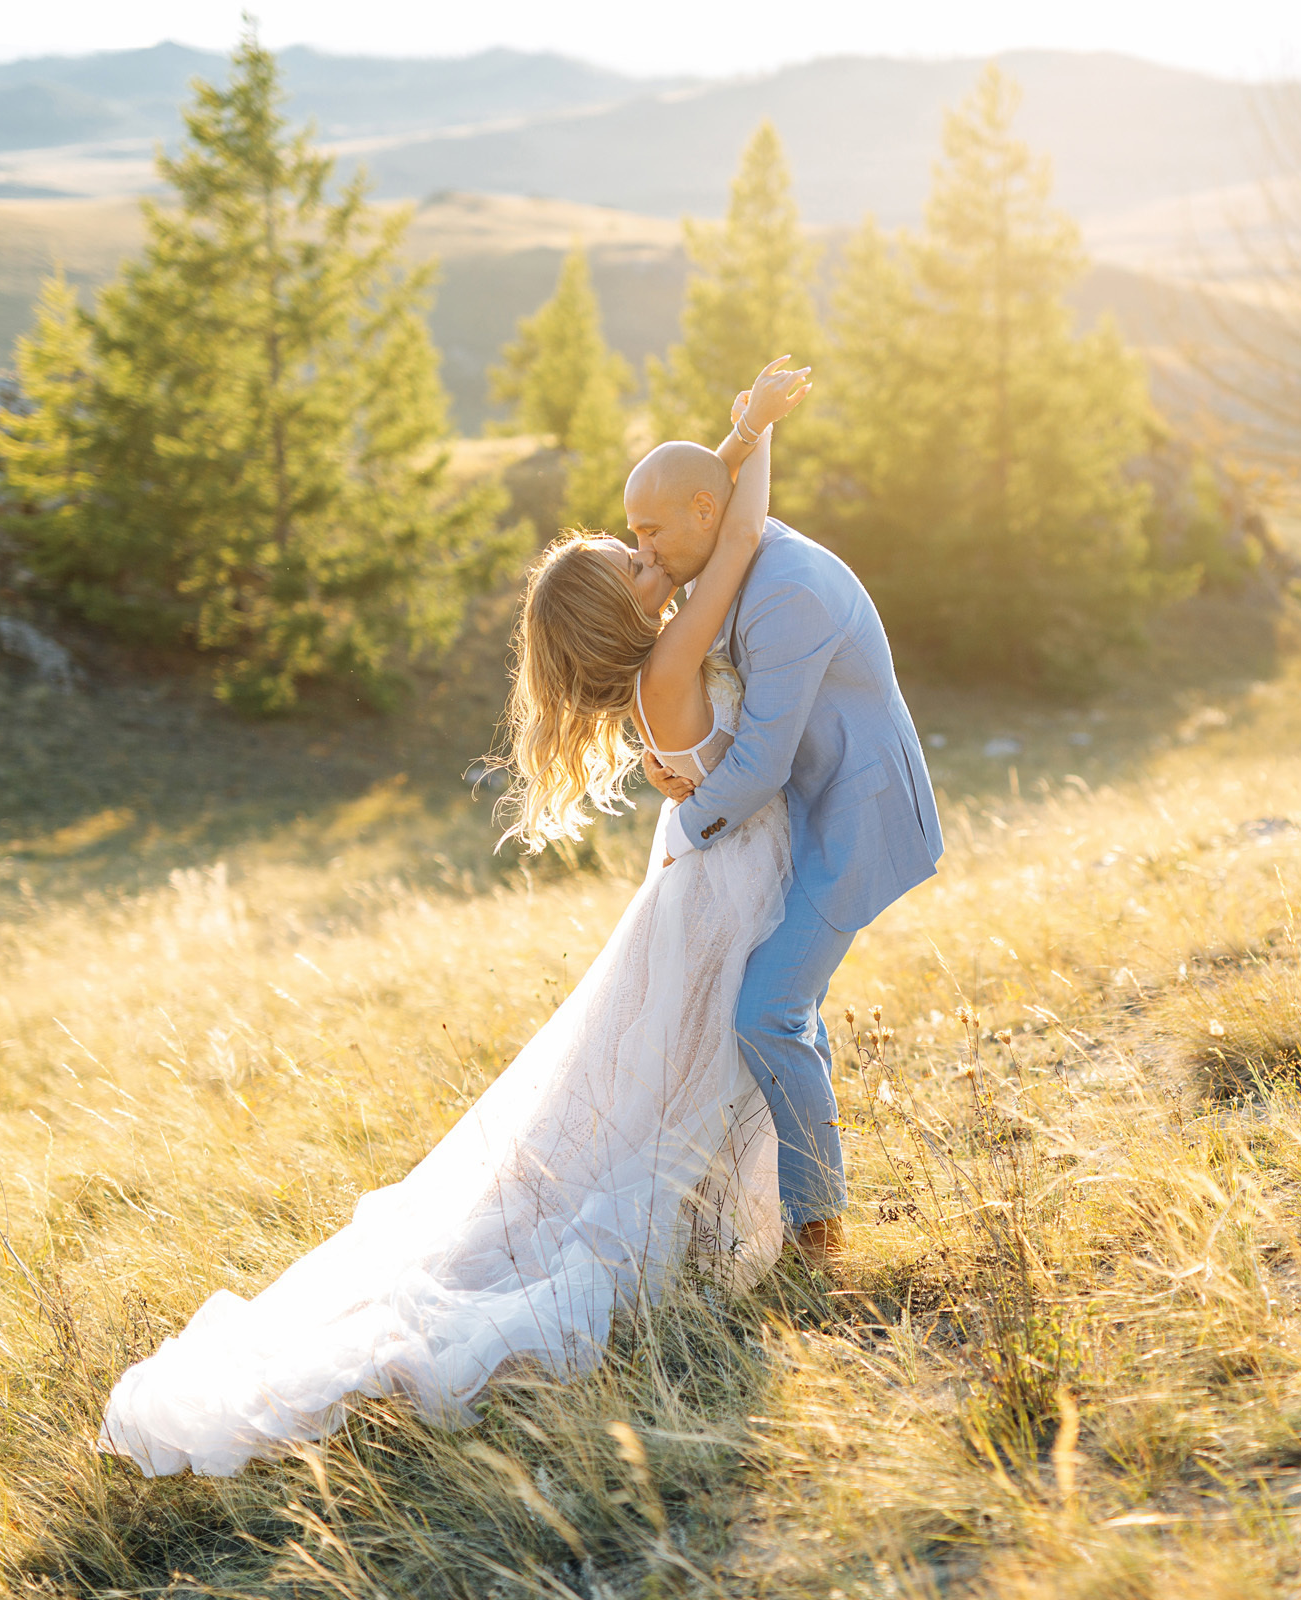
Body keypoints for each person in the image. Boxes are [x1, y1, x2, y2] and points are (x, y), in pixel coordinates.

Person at [97, 360, 839, 1477]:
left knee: (694, 1067)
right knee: (713, 1060)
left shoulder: (658, 661)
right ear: (628, 613)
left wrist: (728, 443)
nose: (654, 562)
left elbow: (698, 528)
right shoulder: (678, 659)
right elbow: (732, 542)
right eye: (634, 564)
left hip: (704, 870)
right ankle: (758, 1236)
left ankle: (749, 1229)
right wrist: (762, 435)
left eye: (644, 547)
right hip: (729, 880)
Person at [625, 374, 944, 1272]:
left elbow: (761, 763)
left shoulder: (786, 590)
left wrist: (685, 831)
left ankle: (819, 1237)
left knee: (768, 1011)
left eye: (651, 533)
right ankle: (797, 1197)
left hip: (853, 817)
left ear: (700, 514)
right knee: (790, 1009)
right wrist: (748, 429)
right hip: (790, 817)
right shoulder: (728, 555)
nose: (640, 547)